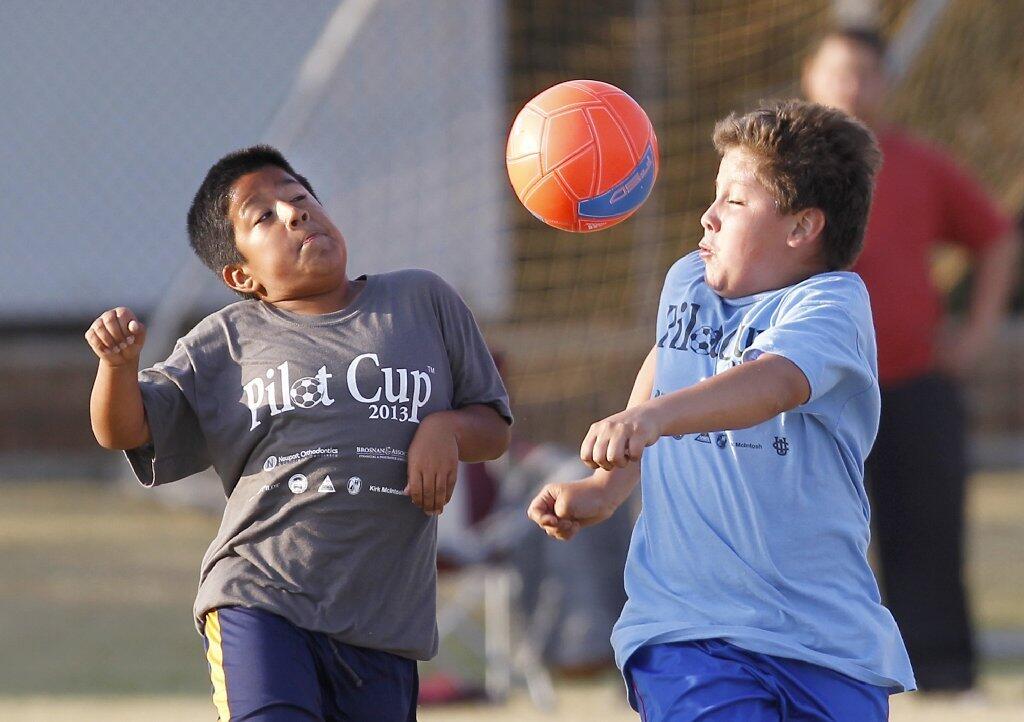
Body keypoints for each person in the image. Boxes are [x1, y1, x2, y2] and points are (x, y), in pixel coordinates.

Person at [85, 145, 512, 722]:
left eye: (300, 197)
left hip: (384, 623)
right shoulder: (228, 340)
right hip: (261, 597)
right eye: (263, 215)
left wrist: (445, 427)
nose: (294, 213)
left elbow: (492, 427)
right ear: (240, 274)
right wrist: (117, 366)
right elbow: (124, 430)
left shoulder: (421, 300)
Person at [529, 100, 915, 720]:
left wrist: (653, 420)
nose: (706, 217)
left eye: (734, 202)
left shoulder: (831, 306)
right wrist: (610, 482)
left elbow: (774, 384)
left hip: (827, 642)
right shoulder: (688, 281)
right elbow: (668, 358)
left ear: (801, 228)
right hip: (688, 629)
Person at [803, 28, 1021, 692]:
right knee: (808, 545)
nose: (853, 86)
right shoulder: (783, 169)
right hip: (807, 392)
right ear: (811, 79)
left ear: (887, 83)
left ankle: (943, 679)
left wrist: (978, 331)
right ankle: (813, 675)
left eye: (867, 73)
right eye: (840, 72)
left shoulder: (919, 163)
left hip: (912, 384)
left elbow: (995, 234)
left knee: (927, 538)